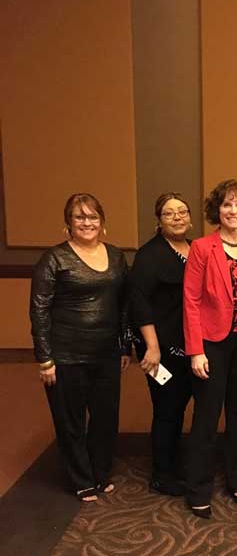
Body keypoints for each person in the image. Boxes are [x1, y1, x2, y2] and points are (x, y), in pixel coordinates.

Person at [30, 193, 130, 501]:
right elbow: (39, 309)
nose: (87, 222)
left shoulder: (116, 256)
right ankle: (81, 478)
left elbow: (124, 305)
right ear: (68, 223)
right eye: (79, 217)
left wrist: (125, 346)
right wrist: (45, 358)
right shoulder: (55, 258)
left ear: (103, 222)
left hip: (107, 354)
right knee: (71, 421)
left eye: (92, 217)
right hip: (66, 355)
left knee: (105, 418)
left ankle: (100, 473)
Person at [183, 180, 237, 519]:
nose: (234, 211)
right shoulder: (202, 247)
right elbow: (190, 300)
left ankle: (236, 478)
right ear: (217, 210)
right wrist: (195, 350)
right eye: (228, 205)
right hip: (212, 343)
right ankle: (198, 488)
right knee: (206, 416)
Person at [129, 193, 193, 496]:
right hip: (160, 348)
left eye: (182, 212)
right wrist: (152, 347)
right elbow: (139, 304)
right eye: (169, 213)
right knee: (167, 408)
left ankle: (173, 462)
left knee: (179, 406)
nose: (177, 217)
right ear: (159, 220)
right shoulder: (149, 255)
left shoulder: (194, 249)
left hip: (188, 345)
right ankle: (162, 474)